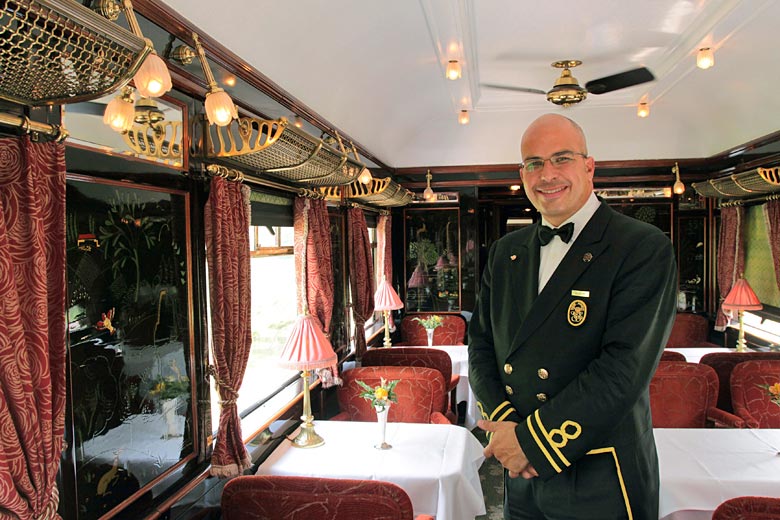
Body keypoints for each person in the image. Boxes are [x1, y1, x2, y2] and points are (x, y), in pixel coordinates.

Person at [468, 113, 677, 519]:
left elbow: (622, 371)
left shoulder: (641, 247)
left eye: (561, 158)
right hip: (521, 475)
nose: (547, 175)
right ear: (522, 173)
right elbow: (481, 345)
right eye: (534, 163)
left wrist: (532, 443)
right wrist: (508, 430)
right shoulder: (506, 251)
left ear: (589, 166)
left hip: (601, 472)